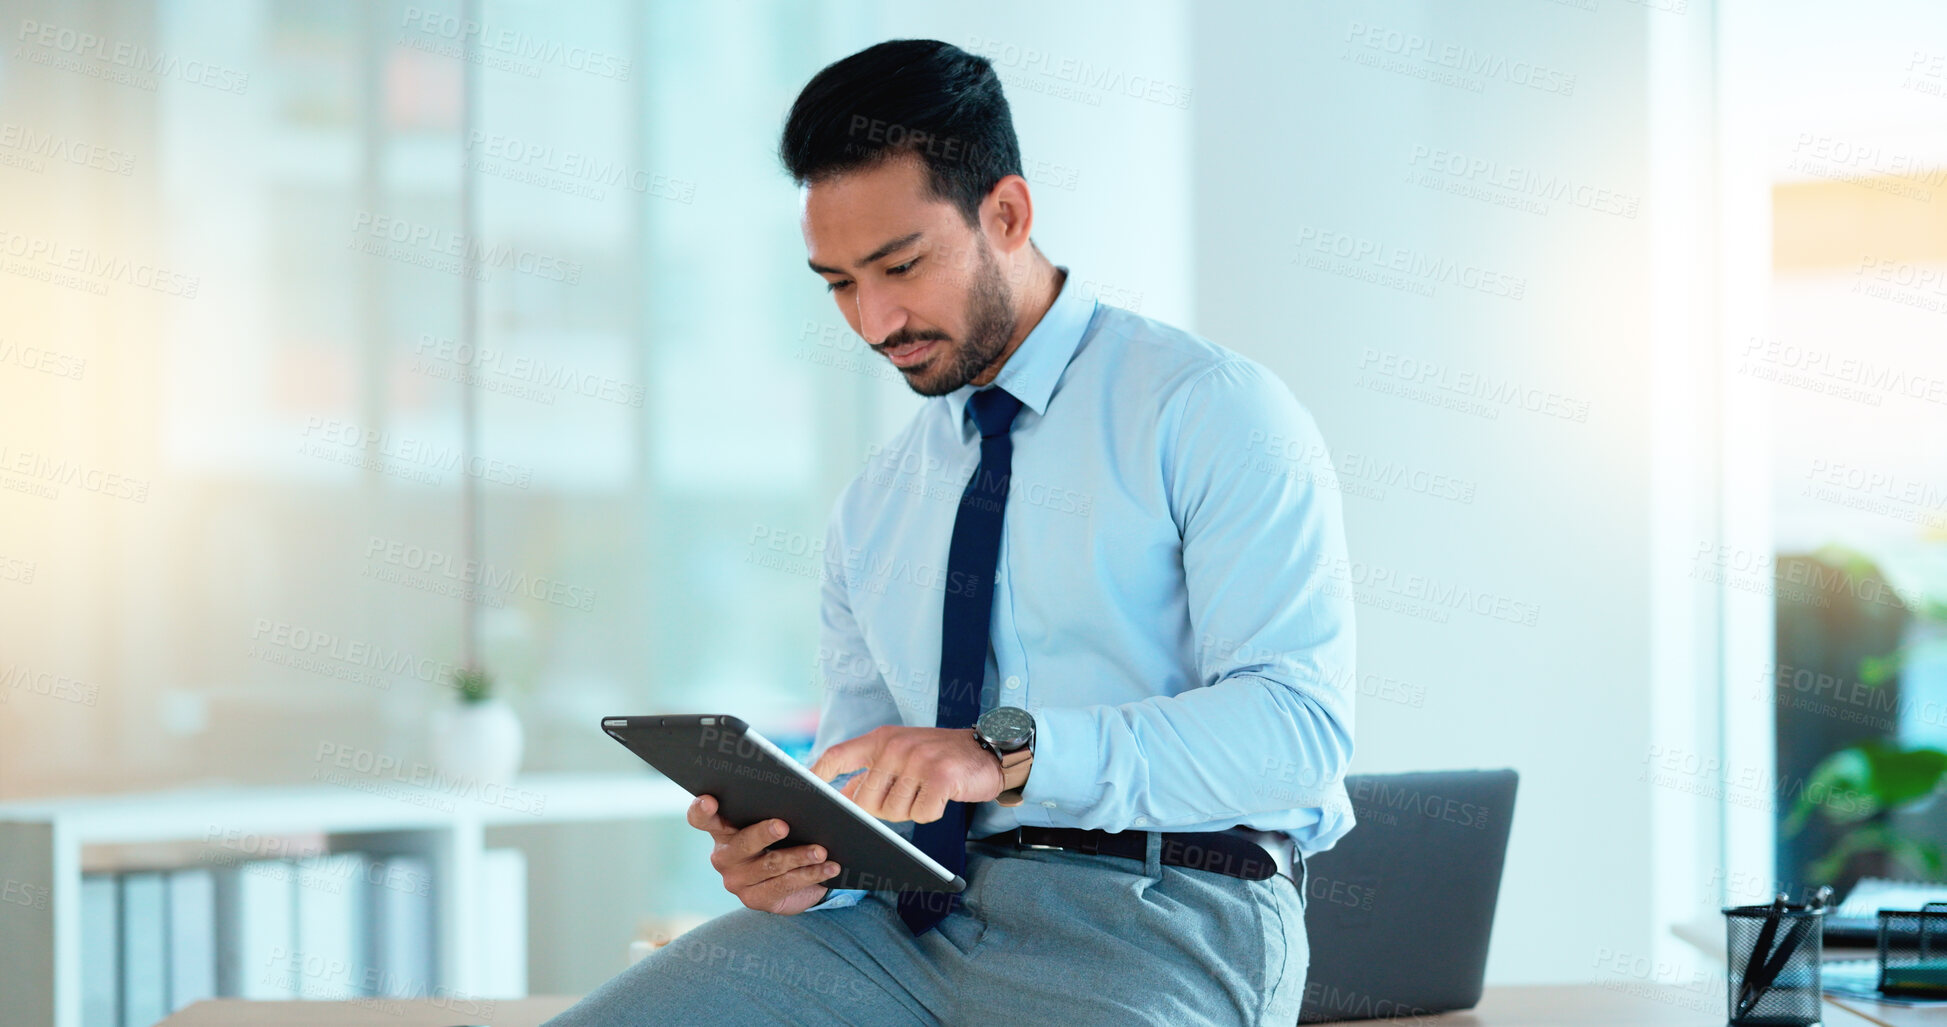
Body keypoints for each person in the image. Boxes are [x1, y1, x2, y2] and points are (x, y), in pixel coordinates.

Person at [548, 38, 1356, 1027]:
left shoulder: (1210, 410)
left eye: (900, 265)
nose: (874, 319)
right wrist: (801, 864)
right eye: (838, 282)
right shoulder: (877, 504)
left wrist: (1003, 750)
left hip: (1161, 918)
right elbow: (870, 789)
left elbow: (1298, 735)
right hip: (897, 929)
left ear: (1006, 214)